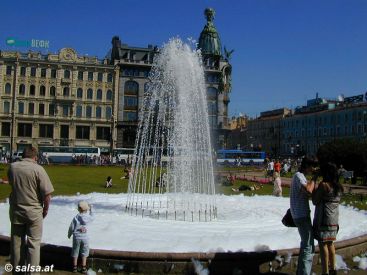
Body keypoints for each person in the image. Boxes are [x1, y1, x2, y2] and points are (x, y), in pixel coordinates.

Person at [8, 146, 54, 269]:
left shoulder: (13, 167)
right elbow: (47, 195)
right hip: (34, 211)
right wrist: (45, 210)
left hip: (17, 210)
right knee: (34, 245)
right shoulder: (38, 169)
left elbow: (13, 185)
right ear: (35, 157)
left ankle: (17, 271)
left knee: (16, 244)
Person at [312, 163, 343, 275]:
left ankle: (325, 271)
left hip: (324, 219)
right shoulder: (339, 187)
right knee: (330, 244)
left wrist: (315, 180)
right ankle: (333, 269)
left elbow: (315, 200)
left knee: (323, 245)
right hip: (334, 220)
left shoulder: (324, 185)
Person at [290, 157, 318, 275]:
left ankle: (301, 271)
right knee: (308, 246)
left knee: (305, 243)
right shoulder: (299, 176)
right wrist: (315, 178)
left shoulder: (300, 176)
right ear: (307, 166)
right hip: (301, 215)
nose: (314, 169)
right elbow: (308, 191)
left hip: (300, 214)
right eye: (313, 166)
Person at [68, 201, 94, 273]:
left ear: (79, 209)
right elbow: (93, 217)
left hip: (76, 237)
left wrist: (69, 234)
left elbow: (71, 227)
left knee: (75, 251)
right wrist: (92, 209)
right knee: (84, 252)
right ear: (86, 209)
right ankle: (83, 268)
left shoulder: (76, 217)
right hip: (85, 238)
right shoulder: (88, 217)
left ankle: (74, 267)